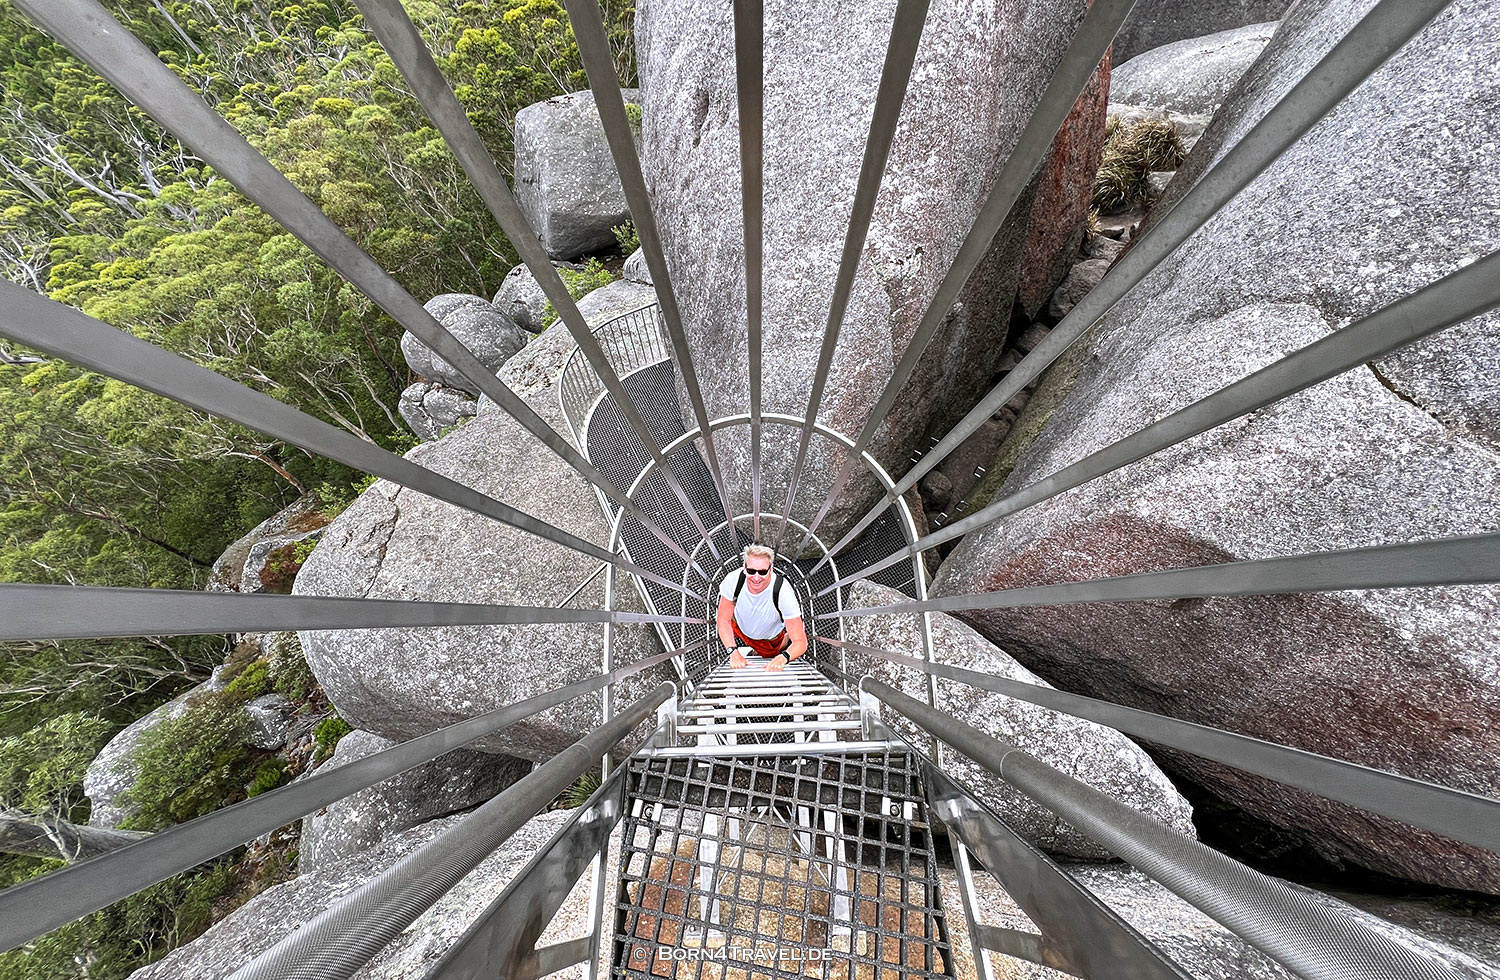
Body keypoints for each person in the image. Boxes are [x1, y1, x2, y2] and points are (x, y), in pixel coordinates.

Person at [716, 544, 808, 672]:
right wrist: (733, 651)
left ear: (771, 569)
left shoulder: (783, 592)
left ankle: (785, 637)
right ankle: (751, 645)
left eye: (762, 572)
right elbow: (723, 619)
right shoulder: (733, 580)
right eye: (751, 571)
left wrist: (783, 658)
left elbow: (800, 642)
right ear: (744, 568)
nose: (756, 578)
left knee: (772, 652)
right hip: (739, 625)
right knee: (728, 632)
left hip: (766, 638)